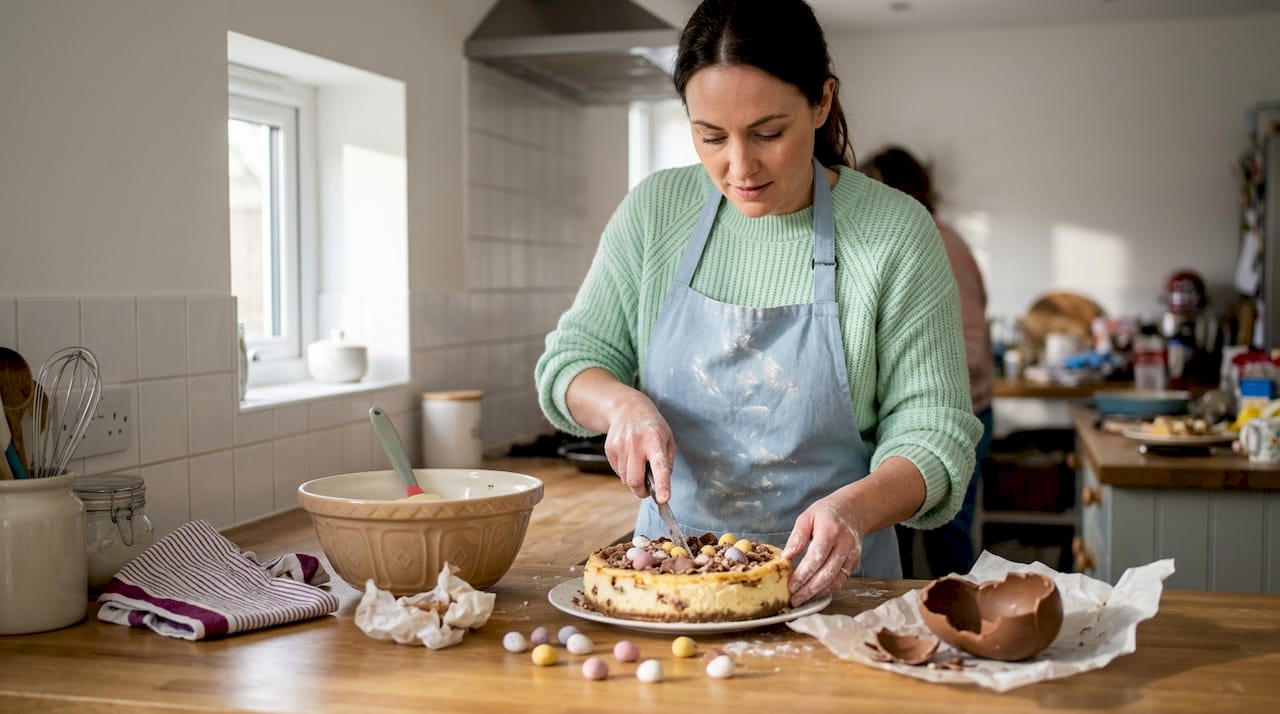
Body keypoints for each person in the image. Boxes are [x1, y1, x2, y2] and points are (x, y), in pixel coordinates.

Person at [534, 0, 980, 606]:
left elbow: (935, 432)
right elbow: (569, 362)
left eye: (769, 133)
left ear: (821, 102)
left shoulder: (894, 233)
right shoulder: (656, 212)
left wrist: (854, 509)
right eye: (710, 136)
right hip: (669, 589)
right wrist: (621, 406)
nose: (739, 167)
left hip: (837, 590)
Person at [861, 146, 994, 578]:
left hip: (960, 419)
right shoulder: (888, 241)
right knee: (902, 542)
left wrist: (918, 376)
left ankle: (963, 625)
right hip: (907, 424)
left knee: (947, 543)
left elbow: (969, 348)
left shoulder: (937, 242)